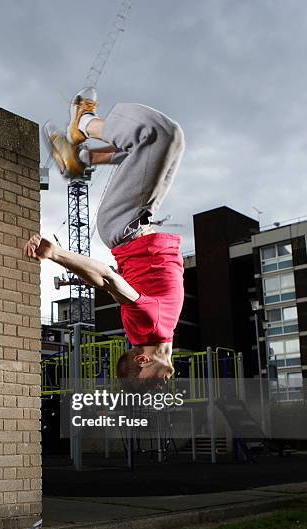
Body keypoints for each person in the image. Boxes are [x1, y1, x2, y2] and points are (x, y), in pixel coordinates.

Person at [25, 88, 186, 382]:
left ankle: (84, 123)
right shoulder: (154, 329)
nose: (164, 384)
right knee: (160, 148)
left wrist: (56, 254)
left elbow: (109, 279)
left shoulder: (151, 326)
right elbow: (107, 281)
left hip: (125, 225)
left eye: (151, 382)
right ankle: (78, 159)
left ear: (142, 360)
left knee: (163, 135)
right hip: (134, 223)